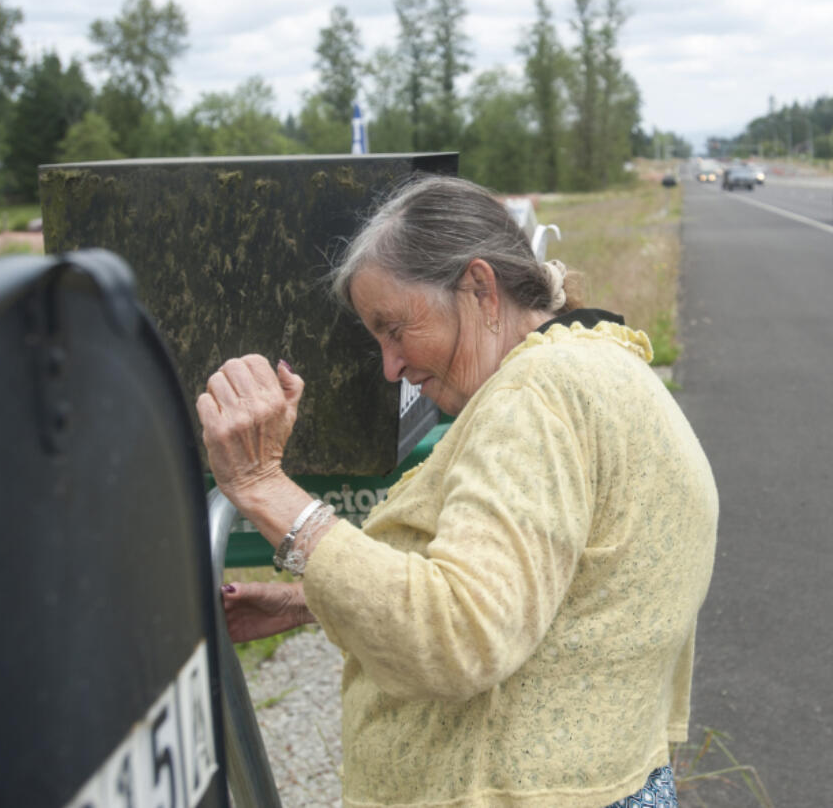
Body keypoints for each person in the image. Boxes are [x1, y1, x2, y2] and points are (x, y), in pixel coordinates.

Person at [196, 174, 718, 808]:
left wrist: (264, 488)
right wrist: (307, 601)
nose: (391, 367)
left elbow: (460, 635)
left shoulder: (536, 399)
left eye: (393, 328)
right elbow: (539, 590)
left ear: (479, 288)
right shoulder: (602, 364)